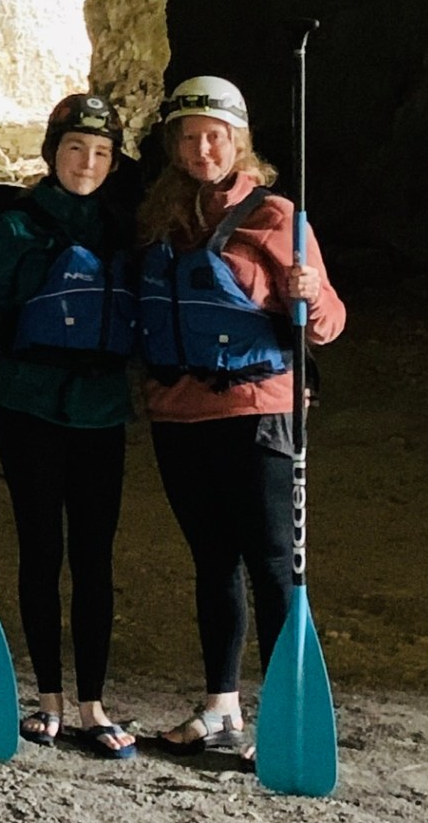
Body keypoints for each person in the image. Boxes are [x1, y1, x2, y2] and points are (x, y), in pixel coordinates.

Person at [135, 76, 345, 758]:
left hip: (255, 411)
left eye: (215, 138)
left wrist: (307, 296)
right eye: (190, 138)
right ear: (173, 145)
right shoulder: (160, 217)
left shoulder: (276, 216)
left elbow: (329, 326)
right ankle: (221, 708)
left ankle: (288, 712)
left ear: (238, 142)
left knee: (272, 563)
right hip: (178, 413)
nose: (203, 149)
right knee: (211, 561)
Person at [0, 93, 139, 760]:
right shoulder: (13, 228)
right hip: (29, 406)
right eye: (74, 149)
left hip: (101, 408)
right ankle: (49, 700)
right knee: (42, 550)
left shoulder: (126, 230)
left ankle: (92, 702)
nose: (87, 163)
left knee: (94, 556)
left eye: (100, 153)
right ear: (52, 154)